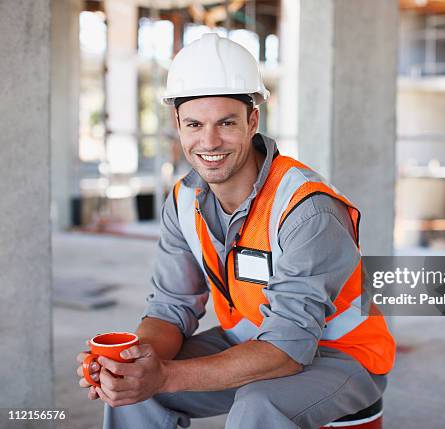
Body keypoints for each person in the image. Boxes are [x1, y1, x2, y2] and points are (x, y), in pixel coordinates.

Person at [76, 33, 395, 429]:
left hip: (343, 355)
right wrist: (133, 364)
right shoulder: (182, 201)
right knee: (134, 390)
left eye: (226, 123)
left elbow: (289, 348)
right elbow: (170, 307)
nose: (209, 141)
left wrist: (167, 374)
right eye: (194, 124)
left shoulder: (307, 210)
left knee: (258, 403)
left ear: (252, 121)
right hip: (253, 342)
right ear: (177, 123)